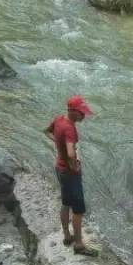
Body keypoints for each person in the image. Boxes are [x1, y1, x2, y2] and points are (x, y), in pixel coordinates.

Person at [44, 95, 98, 256]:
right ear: (73, 111)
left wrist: (58, 145)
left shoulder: (59, 120)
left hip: (59, 169)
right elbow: (70, 153)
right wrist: (74, 167)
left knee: (65, 203)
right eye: (81, 113)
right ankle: (79, 245)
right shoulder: (70, 129)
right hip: (69, 173)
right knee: (78, 210)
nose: (83, 116)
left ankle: (67, 236)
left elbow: (46, 132)